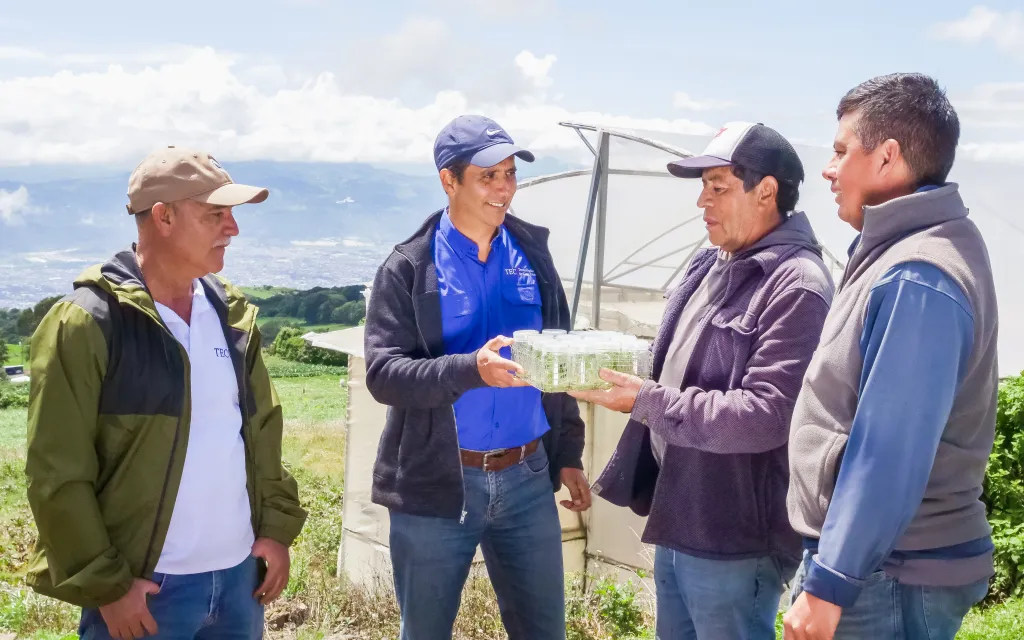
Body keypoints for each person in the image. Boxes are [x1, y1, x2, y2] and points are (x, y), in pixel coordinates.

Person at [25, 147, 307, 640]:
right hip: (146, 592)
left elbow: (261, 433)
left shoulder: (231, 314)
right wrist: (108, 586)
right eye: (215, 214)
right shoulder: (87, 322)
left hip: (240, 582)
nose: (233, 229)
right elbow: (57, 472)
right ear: (164, 217)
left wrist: (276, 530)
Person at [574, 122, 834, 639]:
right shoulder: (711, 262)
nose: (702, 201)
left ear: (766, 192)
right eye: (703, 187)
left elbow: (765, 415)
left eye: (718, 187)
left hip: (733, 537)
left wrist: (647, 400)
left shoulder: (796, 284)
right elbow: (676, 362)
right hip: (681, 511)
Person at [784, 73, 999, 640]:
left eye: (840, 151)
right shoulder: (902, 249)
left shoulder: (917, 275)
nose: (828, 169)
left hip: (888, 574)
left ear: (887, 157)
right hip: (879, 565)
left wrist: (832, 581)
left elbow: (888, 449)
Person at [363, 114, 590, 640]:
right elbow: (383, 373)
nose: (504, 188)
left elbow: (557, 354)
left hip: (528, 476)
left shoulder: (533, 255)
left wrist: (568, 453)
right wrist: (470, 369)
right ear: (449, 180)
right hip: (438, 482)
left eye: (510, 174)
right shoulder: (409, 267)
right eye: (488, 176)